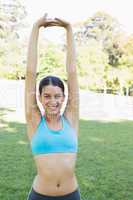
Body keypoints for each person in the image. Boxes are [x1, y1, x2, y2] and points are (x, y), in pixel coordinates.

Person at [25, 13, 80, 200]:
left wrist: (69, 29)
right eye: (47, 96)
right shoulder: (34, 121)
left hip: (71, 195)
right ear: (39, 98)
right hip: (40, 195)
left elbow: (72, 72)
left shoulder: (71, 119)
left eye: (57, 96)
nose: (53, 101)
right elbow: (30, 72)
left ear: (64, 97)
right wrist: (35, 28)